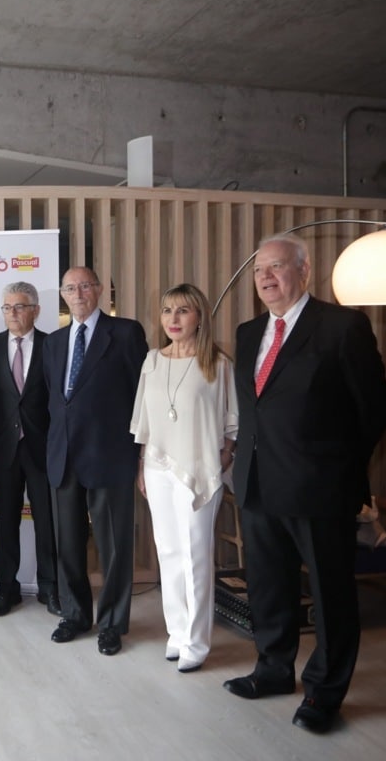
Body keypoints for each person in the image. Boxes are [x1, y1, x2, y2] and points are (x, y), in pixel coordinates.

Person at [224, 234, 386, 734]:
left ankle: (325, 692)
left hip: (321, 487)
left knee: (330, 593)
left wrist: (342, 467)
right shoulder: (248, 331)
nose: (267, 278)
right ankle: (274, 670)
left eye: (278, 267)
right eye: (259, 271)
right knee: (268, 586)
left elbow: (376, 406)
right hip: (257, 483)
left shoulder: (343, 326)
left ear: (305, 271)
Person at [130, 283, 237, 673]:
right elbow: (144, 419)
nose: (173, 319)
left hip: (200, 470)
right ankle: (176, 632)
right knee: (169, 553)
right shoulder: (153, 360)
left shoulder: (218, 363)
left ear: (199, 317)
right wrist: (142, 465)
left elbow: (232, 421)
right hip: (158, 467)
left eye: (183, 311)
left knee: (196, 556)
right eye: (167, 311)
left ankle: (198, 640)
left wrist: (224, 456)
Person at [44, 266, 148, 656]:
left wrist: (140, 452)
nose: (78, 293)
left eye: (85, 285)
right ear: (63, 295)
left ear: (100, 289)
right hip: (63, 455)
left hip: (110, 454)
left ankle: (112, 623)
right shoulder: (53, 343)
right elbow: (55, 401)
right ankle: (74, 615)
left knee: (113, 546)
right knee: (68, 543)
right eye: (70, 288)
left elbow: (142, 394)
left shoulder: (125, 333)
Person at [0, 281, 59, 617]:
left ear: (36, 310)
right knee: (5, 523)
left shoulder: (54, 345)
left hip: (43, 448)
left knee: (47, 523)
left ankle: (50, 588)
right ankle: (6, 590)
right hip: (4, 449)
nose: (13, 313)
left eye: (21, 306)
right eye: (8, 307)